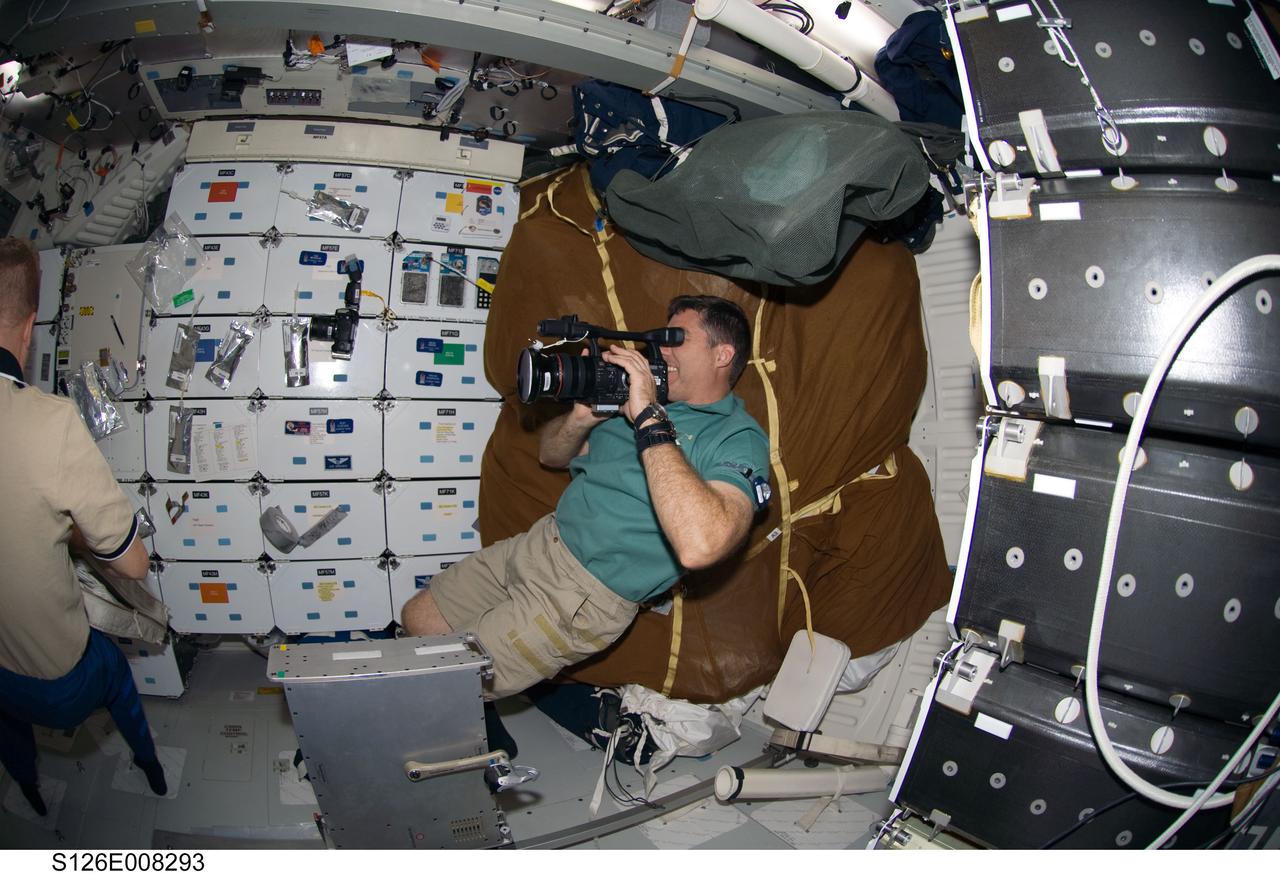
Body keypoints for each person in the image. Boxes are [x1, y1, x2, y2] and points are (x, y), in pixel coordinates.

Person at [402, 294, 769, 699]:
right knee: (418, 618)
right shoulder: (633, 396)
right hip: (541, 544)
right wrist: (581, 418)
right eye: (660, 339)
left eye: (675, 340)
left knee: (445, 686)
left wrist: (649, 418)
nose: (660, 351)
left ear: (722, 355)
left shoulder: (737, 437)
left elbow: (702, 546)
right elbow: (551, 455)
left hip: (582, 596)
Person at [0, 237, 168, 816]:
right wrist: (70, 529)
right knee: (115, 674)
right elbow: (133, 564)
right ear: (29, 329)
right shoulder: (49, 423)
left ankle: (28, 791)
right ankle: (152, 769)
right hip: (57, 680)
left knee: (8, 729)